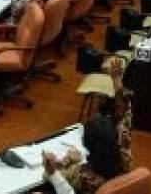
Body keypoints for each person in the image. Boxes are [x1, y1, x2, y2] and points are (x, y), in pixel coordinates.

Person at [46, 58, 132, 194]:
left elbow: (51, 176)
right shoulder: (125, 156)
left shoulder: (84, 177)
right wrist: (117, 80)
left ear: (88, 145)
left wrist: (67, 160)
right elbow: (125, 112)